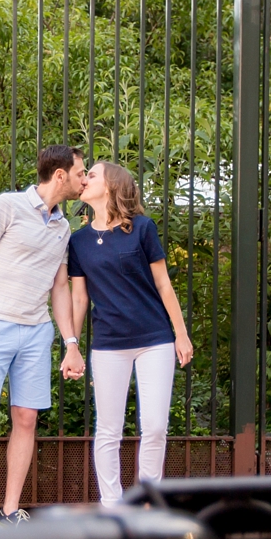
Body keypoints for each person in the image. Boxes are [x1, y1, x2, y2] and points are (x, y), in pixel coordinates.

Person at [0, 145, 88, 526]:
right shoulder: (6, 206)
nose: (84, 179)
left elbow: (60, 288)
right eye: (80, 172)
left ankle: (10, 509)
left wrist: (71, 343)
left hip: (36, 332)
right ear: (59, 175)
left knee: (26, 418)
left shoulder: (63, 227)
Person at [67, 161, 193, 505]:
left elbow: (164, 285)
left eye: (91, 174)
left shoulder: (142, 229)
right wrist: (72, 345)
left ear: (112, 184)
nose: (85, 178)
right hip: (108, 344)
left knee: (154, 426)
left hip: (155, 340)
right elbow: (79, 298)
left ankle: (148, 502)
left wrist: (180, 335)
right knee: (108, 430)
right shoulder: (77, 241)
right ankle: (113, 508)